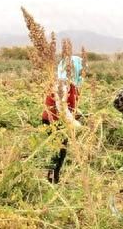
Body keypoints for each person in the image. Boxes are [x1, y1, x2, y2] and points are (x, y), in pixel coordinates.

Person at [42, 55, 83, 184]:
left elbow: (68, 104)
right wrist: (74, 122)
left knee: (61, 151)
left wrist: (78, 113)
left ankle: (54, 178)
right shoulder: (62, 84)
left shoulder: (70, 84)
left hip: (60, 120)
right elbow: (61, 106)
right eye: (80, 70)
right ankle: (52, 180)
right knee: (58, 151)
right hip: (53, 121)